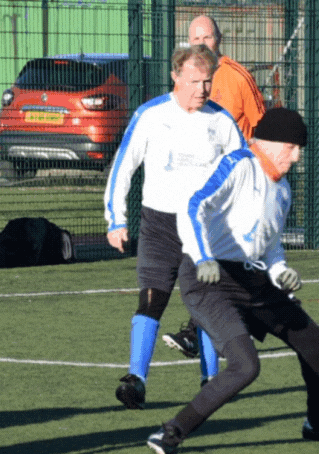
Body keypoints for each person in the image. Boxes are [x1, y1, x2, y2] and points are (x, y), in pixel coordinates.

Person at [146, 108, 319, 454]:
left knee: (315, 342)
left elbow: (271, 245)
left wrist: (280, 272)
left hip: (255, 281)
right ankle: (171, 432)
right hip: (209, 279)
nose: (297, 155)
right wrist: (202, 257)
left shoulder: (284, 189)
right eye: (292, 147)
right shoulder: (238, 165)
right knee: (246, 366)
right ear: (271, 143)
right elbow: (193, 206)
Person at [103, 44, 244, 409]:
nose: (202, 89)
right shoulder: (151, 115)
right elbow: (123, 167)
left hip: (204, 228)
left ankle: (211, 381)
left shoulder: (222, 123)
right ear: (176, 77)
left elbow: (244, 174)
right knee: (152, 296)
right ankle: (135, 379)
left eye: (207, 81)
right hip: (159, 223)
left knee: (205, 303)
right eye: (194, 81)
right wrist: (116, 219)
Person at [162, 14, 271, 359]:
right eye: (195, 39)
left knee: (212, 259)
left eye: (206, 38)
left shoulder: (237, 77)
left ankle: (202, 333)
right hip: (200, 187)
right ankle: (234, 325)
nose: (201, 44)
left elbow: (262, 127)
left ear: (219, 40)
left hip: (233, 187)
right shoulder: (187, 80)